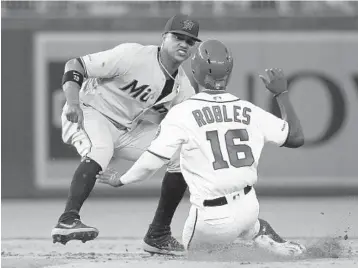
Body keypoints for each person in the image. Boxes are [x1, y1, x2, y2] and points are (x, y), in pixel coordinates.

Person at [96, 40, 307, 256]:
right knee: (254, 227)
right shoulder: (248, 109)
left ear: (195, 72)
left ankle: (234, 252)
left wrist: (120, 180)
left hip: (210, 221)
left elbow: (151, 162)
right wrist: (281, 94)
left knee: (199, 254)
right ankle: (268, 243)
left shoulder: (182, 112)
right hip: (248, 207)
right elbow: (296, 137)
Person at [51, 14, 200, 246]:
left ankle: (158, 234)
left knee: (180, 154)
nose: (184, 43)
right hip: (90, 111)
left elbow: (192, 124)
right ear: (164, 37)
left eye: (190, 41)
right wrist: (72, 102)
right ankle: (67, 219)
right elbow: (75, 65)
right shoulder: (133, 55)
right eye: (178, 37)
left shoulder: (182, 85)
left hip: (127, 130)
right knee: (100, 147)